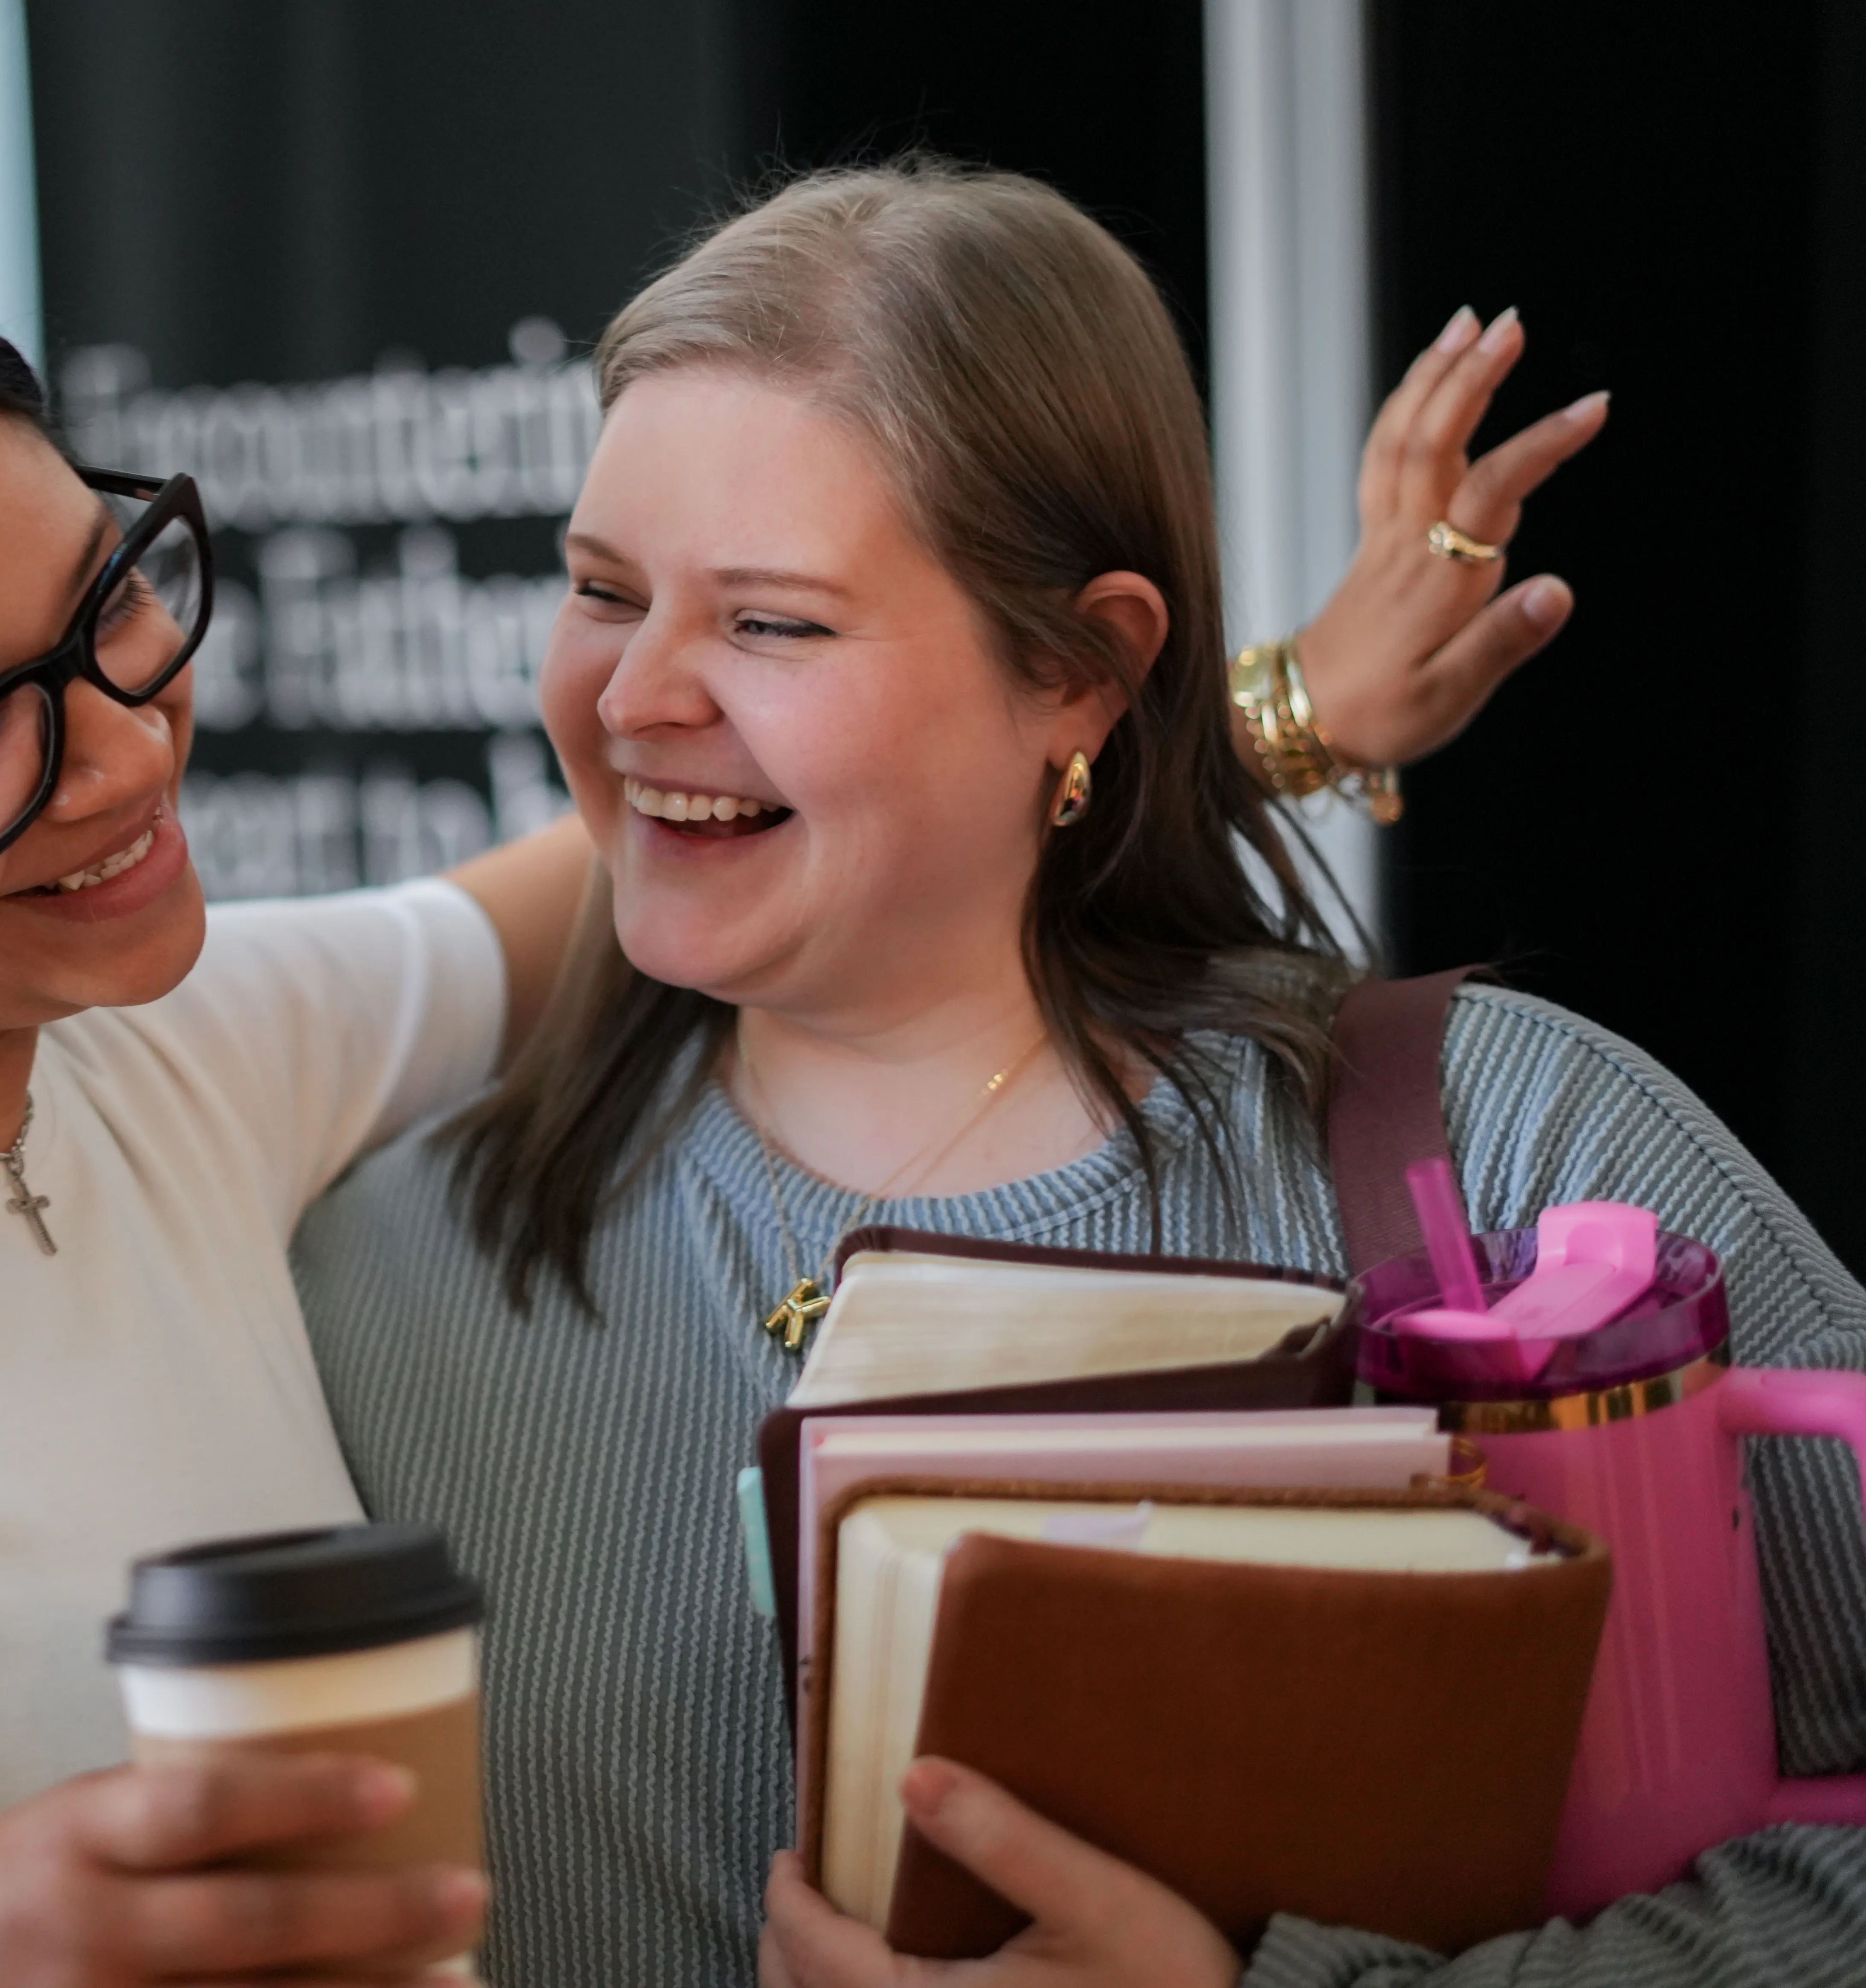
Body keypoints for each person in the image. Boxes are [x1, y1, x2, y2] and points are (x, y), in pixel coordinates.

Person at [0, 179, 1601, 1984]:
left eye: (112, 597)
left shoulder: (160, 1047)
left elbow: (671, 837)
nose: (126, 754)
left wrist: (1238, 712)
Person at [287, 162, 1866, 1988]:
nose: (631, 697)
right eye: (598, 587)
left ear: (1088, 673)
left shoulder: (1512, 1165)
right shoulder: (379, 1271)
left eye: (771, 622)